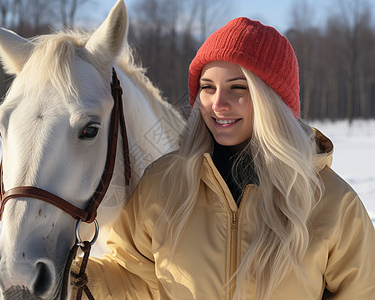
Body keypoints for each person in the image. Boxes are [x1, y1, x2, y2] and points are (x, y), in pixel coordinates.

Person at [71, 17, 375, 300]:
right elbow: (132, 279)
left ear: (273, 101)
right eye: (207, 87)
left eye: (238, 88)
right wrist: (66, 277)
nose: (218, 103)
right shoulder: (163, 185)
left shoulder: (333, 202)